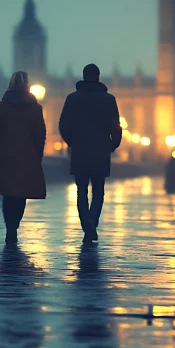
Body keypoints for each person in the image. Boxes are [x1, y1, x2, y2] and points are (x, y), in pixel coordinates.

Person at [59, 64, 122, 243]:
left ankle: (87, 225)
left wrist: (72, 142)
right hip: (101, 150)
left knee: (81, 191)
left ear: (84, 76)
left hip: (79, 150)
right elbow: (115, 126)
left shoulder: (72, 98)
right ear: (98, 77)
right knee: (98, 191)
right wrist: (112, 145)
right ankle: (92, 223)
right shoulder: (109, 99)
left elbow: (63, 125)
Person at [0, 71, 47, 245]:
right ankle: (15, 225)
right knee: (21, 194)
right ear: (28, 86)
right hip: (27, 157)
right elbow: (40, 136)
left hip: (4, 156)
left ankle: (10, 228)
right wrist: (37, 156)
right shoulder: (36, 108)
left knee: (8, 192)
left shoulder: (2, 107)